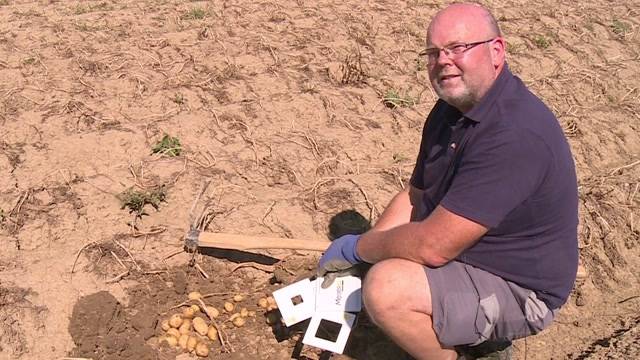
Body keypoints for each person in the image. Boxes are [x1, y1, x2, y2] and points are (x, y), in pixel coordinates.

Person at [316, 3, 578, 360]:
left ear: (496, 51)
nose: (443, 60)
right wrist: (371, 245)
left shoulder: (514, 134)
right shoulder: (450, 111)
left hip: (519, 288)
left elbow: (433, 246)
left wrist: (358, 249)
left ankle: (474, 352)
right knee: (382, 264)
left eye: (458, 48)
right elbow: (415, 195)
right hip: (471, 257)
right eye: (434, 52)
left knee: (386, 288)